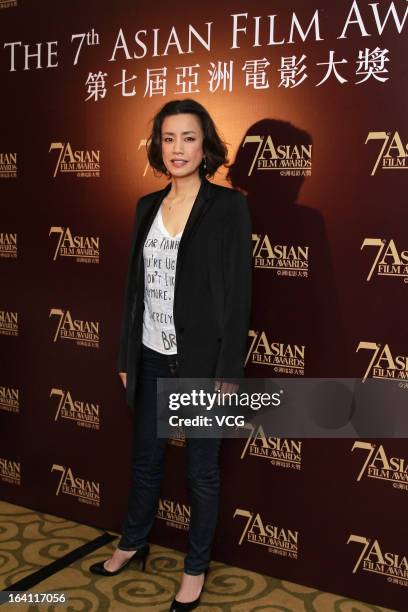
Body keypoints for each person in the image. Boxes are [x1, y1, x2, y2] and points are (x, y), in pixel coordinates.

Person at [90, 98, 252, 611]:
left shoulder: (228, 207)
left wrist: (228, 371)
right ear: (157, 146)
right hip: (150, 356)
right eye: (168, 138)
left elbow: (238, 295)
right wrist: (125, 356)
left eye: (188, 137)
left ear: (205, 145)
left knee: (201, 472)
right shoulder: (146, 206)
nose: (177, 148)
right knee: (145, 463)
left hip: (203, 364)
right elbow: (134, 290)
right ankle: (132, 543)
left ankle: (194, 569)